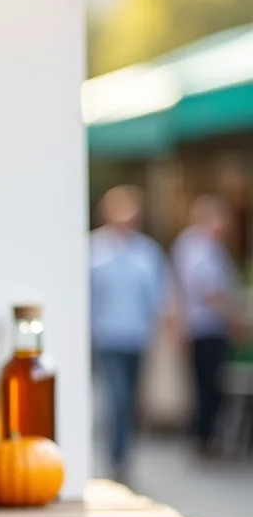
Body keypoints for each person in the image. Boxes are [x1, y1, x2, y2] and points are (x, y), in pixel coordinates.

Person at [89, 185, 172, 485]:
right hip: (106, 338)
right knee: (116, 398)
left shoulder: (147, 251)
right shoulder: (94, 249)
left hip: (137, 338)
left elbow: (160, 298)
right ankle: (116, 457)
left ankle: (125, 456)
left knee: (131, 401)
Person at [172, 194, 246, 458]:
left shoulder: (209, 246)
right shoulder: (197, 246)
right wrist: (235, 317)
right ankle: (203, 439)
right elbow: (207, 289)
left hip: (209, 328)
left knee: (211, 386)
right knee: (208, 386)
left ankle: (206, 437)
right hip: (205, 329)